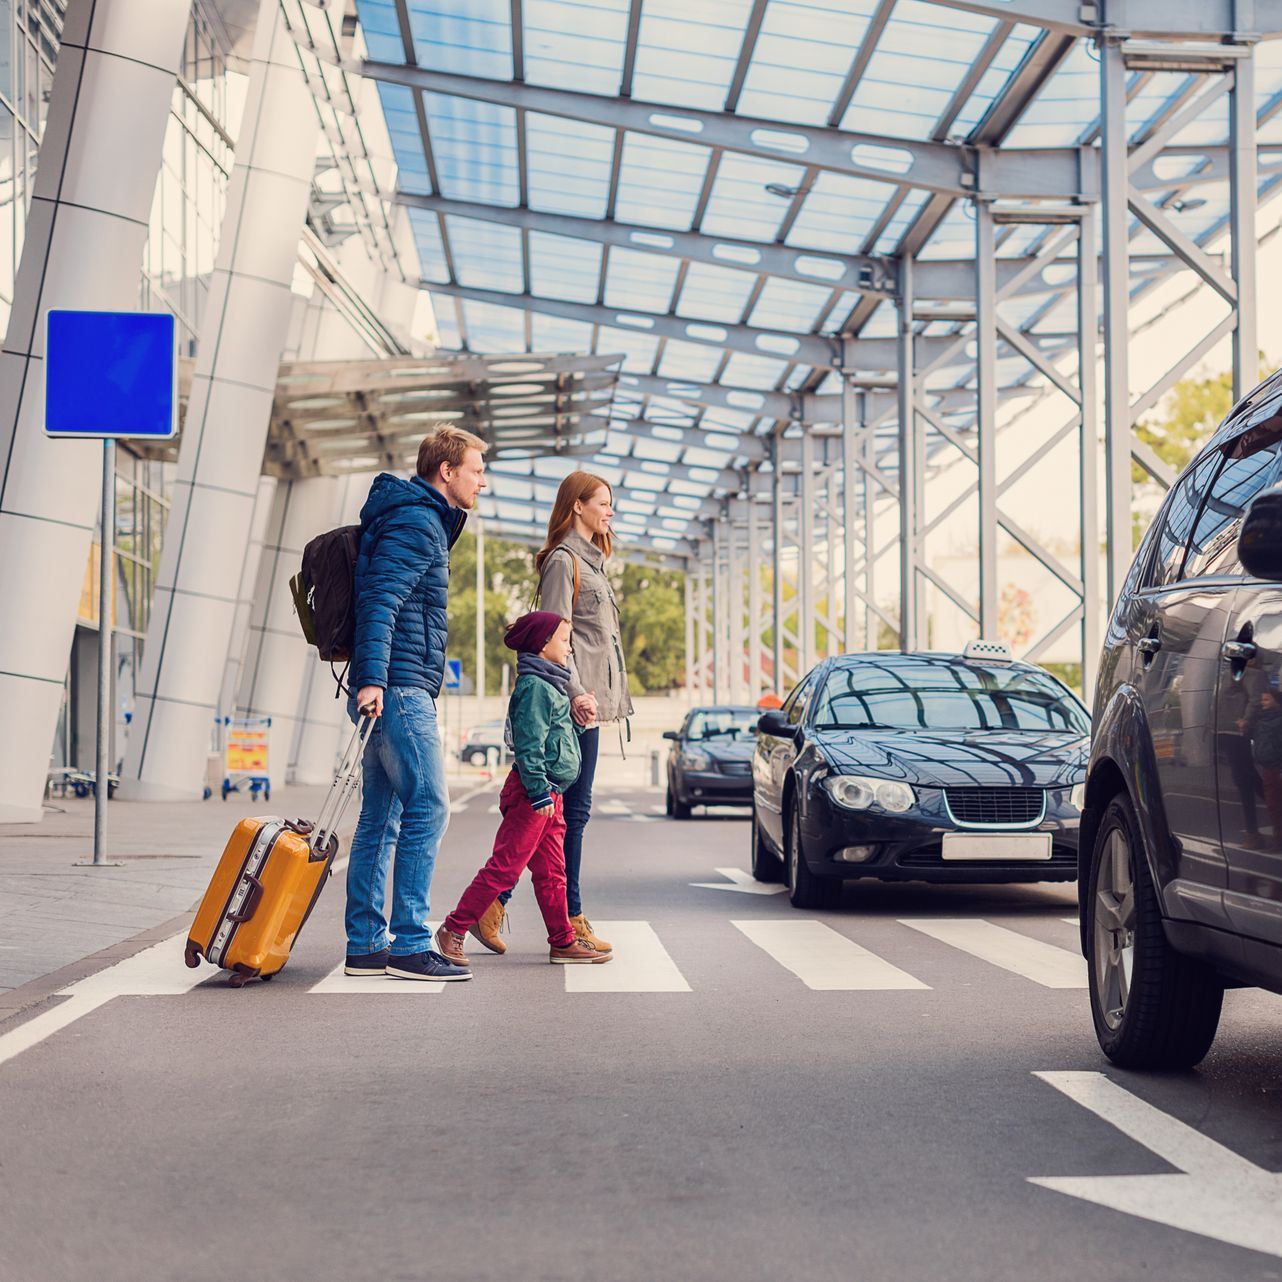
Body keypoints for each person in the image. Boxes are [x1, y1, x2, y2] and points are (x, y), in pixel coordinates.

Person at [342, 425, 488, 982]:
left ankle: (365, 944)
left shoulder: (412, 517)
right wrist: (373, 680)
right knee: (429, 807)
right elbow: (380, 600)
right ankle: (408, 944)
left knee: (381, 817)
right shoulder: (418, 521)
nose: (482, 482)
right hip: (398, 688)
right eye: (476, 471)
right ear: (446, 471)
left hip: (391, 684)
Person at [475, 473, 632, 956]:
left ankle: (504, 906)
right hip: (571, 706)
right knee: (560, 815)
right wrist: (578, 693)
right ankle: (565, 918)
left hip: (589, 706)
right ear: (577, 506)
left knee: (561, 817)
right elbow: (555, 636)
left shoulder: (595, 562)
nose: (610, 512)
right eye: (603, 503)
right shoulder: (565, 562)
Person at [435, 612, 612, 967]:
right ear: (543, 644)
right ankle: (453, 928)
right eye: (564, 641)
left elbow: (555, 739)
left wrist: (579, 724)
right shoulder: (534, 687)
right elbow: (529, 746)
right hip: (535, 795)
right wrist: (539, 792)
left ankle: (562, 942)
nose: (570, 648)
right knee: (504, 868)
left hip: (551, 794)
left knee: (553, 873)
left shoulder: (552, 684)